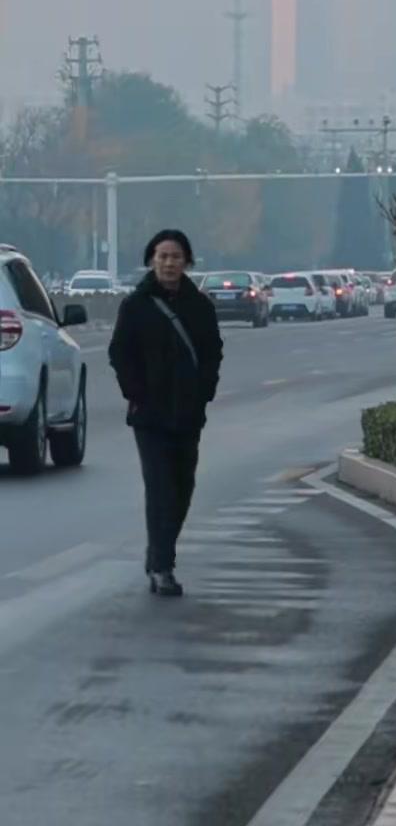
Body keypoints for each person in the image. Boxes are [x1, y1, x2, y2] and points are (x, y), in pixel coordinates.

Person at [108, 229, 223, 598]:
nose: (169, 263)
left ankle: (158, 552)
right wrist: (136, 392)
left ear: (187, 262)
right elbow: (119, 353)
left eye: (176, 257)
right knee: (160, 489)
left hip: (188, 415)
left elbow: (211, 353)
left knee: (183, 488)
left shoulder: (199, 306)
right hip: (150, 416)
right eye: (162, 256)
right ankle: (162, 567)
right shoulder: (136, 306)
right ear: (151, 260)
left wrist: (204, 391)